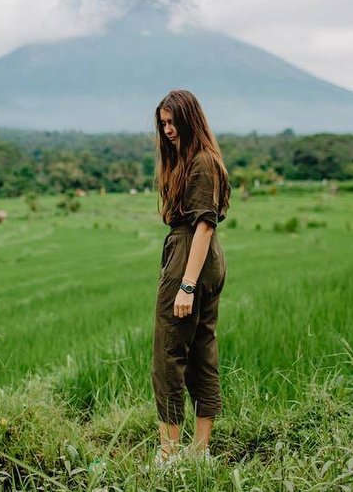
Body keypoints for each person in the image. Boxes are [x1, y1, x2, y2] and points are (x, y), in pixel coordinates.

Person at [151, 89, 230, 466]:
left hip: (191, 257)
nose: (167, 130)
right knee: (201, 350)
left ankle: (169, 455)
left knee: (169, 354)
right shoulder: (196, 159)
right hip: (203, 260)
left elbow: (204, 227)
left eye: (172, 122)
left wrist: (185, 284)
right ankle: (200, 453)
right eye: (163, 123)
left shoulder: (201, 162)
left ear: (189, 119)